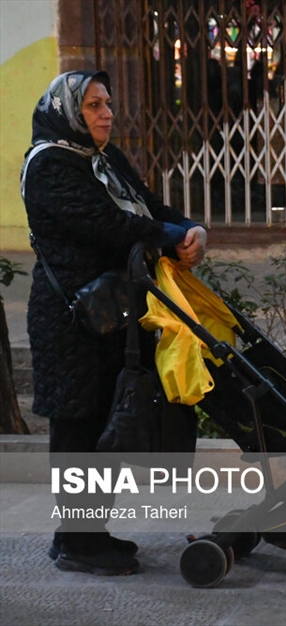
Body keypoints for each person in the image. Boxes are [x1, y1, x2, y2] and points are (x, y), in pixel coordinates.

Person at [21, 70, 207, 575]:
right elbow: (106, 225)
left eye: (107, 103)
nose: (107, 114)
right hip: (71, 319)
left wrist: (188, 228)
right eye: (93, 106)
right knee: (77, 425)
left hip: (114, 312)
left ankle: (83, 535)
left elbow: (145, 205)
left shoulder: (104, 160)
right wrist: (167, 235)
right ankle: (80, 544)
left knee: (104, 421)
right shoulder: (50, 166)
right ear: (66, 112)